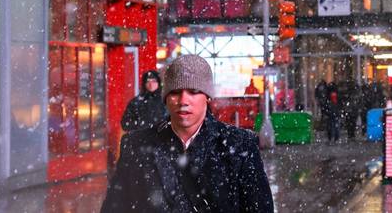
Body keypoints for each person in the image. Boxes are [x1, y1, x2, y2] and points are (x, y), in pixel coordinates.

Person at [101, 54, 274, 212]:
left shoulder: (239, 145)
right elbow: (115, 207)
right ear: (166, 98)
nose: (183, 101)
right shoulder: (136, 145)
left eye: (193, 92)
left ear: (207, 96)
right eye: (175, 92)